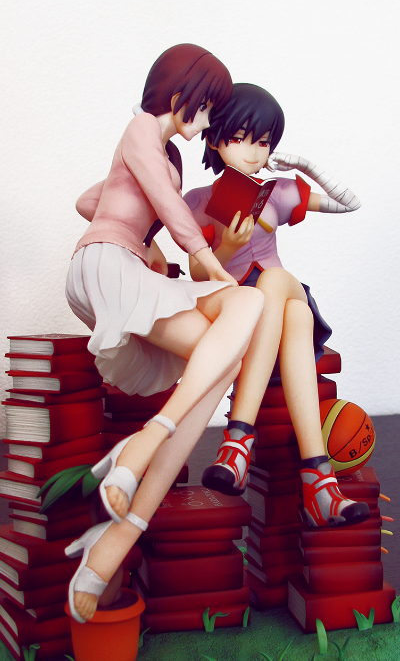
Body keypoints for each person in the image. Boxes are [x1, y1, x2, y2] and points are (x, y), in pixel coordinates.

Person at [65, 48, 264, 622]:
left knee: (225, 351)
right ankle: (143, 443)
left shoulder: (158, 153)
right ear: (180, 94)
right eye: (206, 108)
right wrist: (208, 263)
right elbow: (173, 213)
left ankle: (115, 539)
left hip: (119, 260)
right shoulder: (140, 130)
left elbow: (88, 201)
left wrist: (138, 234)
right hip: (105, 264)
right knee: (239, 300)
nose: (207, 121)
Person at [185, 83, 370, 527]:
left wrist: (304, 166)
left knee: (275, 282)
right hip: (240, 309)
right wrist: (227, 248)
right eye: (240, 138)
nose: (253, 152)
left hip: (278, 286)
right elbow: (197, 273)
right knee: (295, 314)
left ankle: (237, 444)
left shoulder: (278, 192)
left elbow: (350, 203)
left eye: (264, 142)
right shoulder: (198, 201)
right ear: (215, 138)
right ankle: (319, 485)